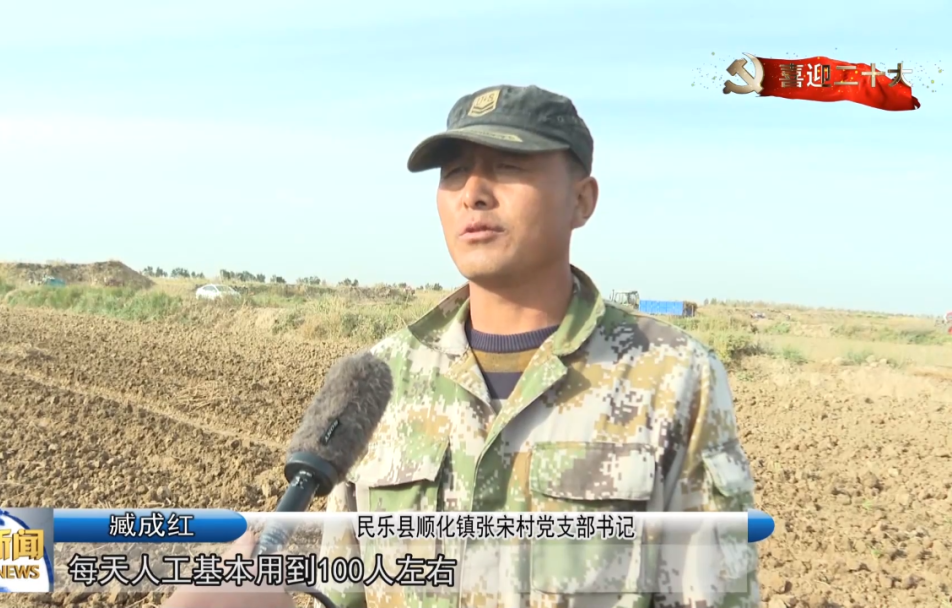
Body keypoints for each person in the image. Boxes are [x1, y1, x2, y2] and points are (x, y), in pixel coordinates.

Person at [164, 84, 760, 608]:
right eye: (453, 173)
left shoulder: (672, 376)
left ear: (581, 200)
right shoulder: (380, 379)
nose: (472, 192)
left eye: (508, 165)